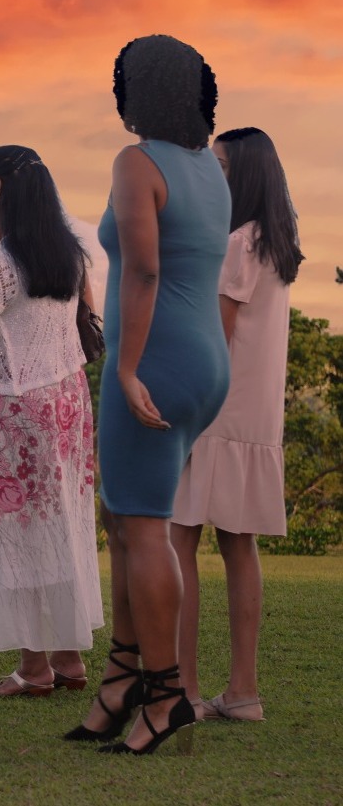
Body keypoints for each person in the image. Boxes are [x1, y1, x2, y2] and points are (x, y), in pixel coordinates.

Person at [67, 34, 231, 755]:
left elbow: (140, 272)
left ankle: (164, 694)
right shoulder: (210, 167)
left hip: (155, 358)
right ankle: (121, 678)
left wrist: (126, 369)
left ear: (135, 92)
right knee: (124, 515)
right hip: (205, 362)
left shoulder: (136, 163)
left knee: (142, 526)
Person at [0, 145, 103, 697]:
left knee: (18, 534)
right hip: (64, 406)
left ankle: (34, 668)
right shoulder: (70, 255)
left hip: (9, 412)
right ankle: (69, 658)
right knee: (61, 525)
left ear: (1, 189)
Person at [171, 127, 302, 722]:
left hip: (214, 413)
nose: (210, 175)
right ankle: (243, 692)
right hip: (255, 421)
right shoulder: (276, 246)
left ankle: (187, 691)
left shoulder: (237, 244)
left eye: (219, 166)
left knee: (180, 540)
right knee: (238, 545)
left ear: (242, 175)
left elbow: (212, 338)